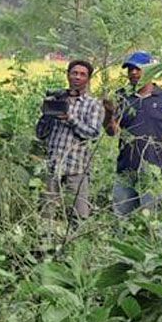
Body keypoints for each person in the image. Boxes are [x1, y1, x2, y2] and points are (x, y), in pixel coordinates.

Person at [106, 51, 162, 216]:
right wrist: (108, 115)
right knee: (122, 220)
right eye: (130, 69)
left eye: (138, 68)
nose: (133, 73)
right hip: (125, 171)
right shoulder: (122, 97)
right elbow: (113, 132)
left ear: (152, 70)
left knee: (153, 222)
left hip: (155, 172)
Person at [38, 59, 104, 221]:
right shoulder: (57, 100)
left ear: (88, 79)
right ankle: (46, 243)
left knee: (79, 215)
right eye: (74, 73)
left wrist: (70, 119)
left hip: (77, 167)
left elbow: (93, 134)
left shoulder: (93, 104)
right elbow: (40, 134)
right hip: (53, 165)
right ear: (68, 76)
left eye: (82, 74)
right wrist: (47, 116)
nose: (77, 77)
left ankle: (77, 244)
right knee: (47, 213)